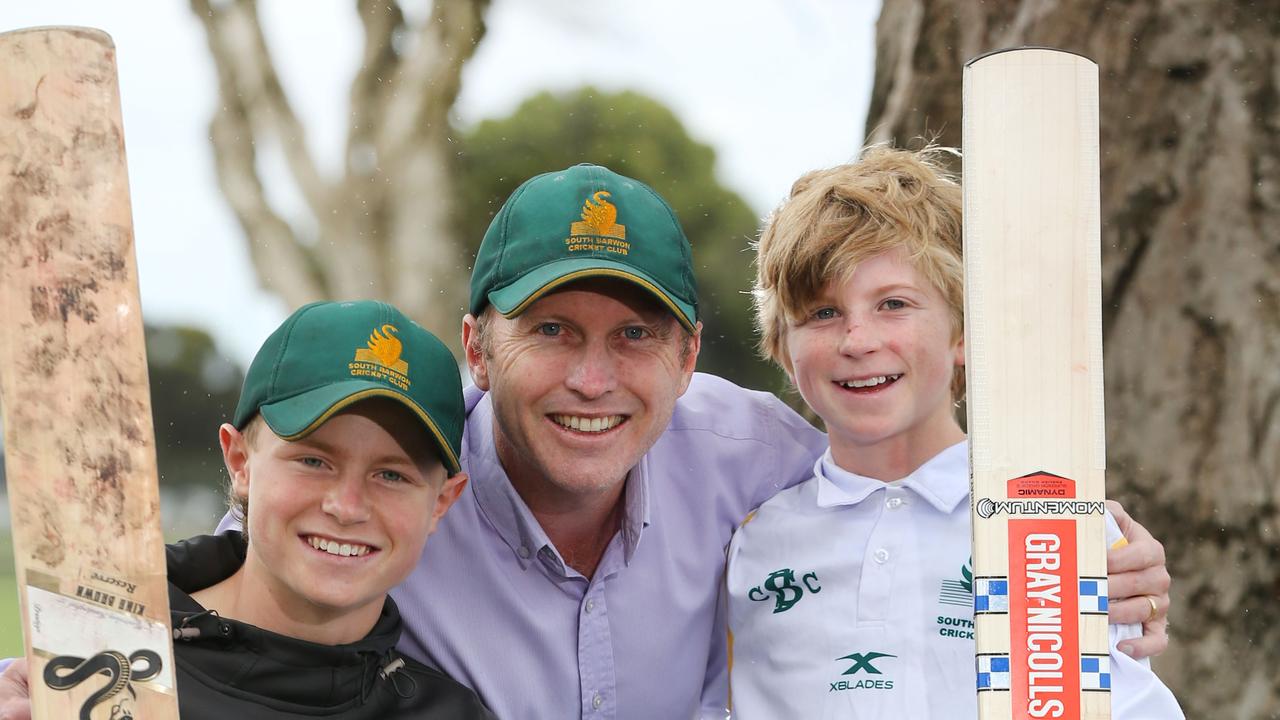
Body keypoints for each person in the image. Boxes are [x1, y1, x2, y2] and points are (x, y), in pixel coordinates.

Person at [1, 164, 1170, 720]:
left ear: (689, 350)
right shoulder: (405, 486)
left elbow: (899, 476)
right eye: (551, 331)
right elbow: (258, 578)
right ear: (475, 343)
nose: (595, 378)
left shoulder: (753, 454)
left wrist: (1096, 548)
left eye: (634, 335)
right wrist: (76, 666)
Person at [725, 146, 1183, 717]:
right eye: (822, 313)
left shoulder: (1053, 532)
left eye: (893, 303)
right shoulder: (746, 539)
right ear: (784, 350)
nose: (857, 340)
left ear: (965, 333)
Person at [0, 300, 495, 720]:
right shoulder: (96, 656)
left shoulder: (449, 712)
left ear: (441, 502)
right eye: (313, 460)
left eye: (392, 475)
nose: (346, 507)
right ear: (240, 462)